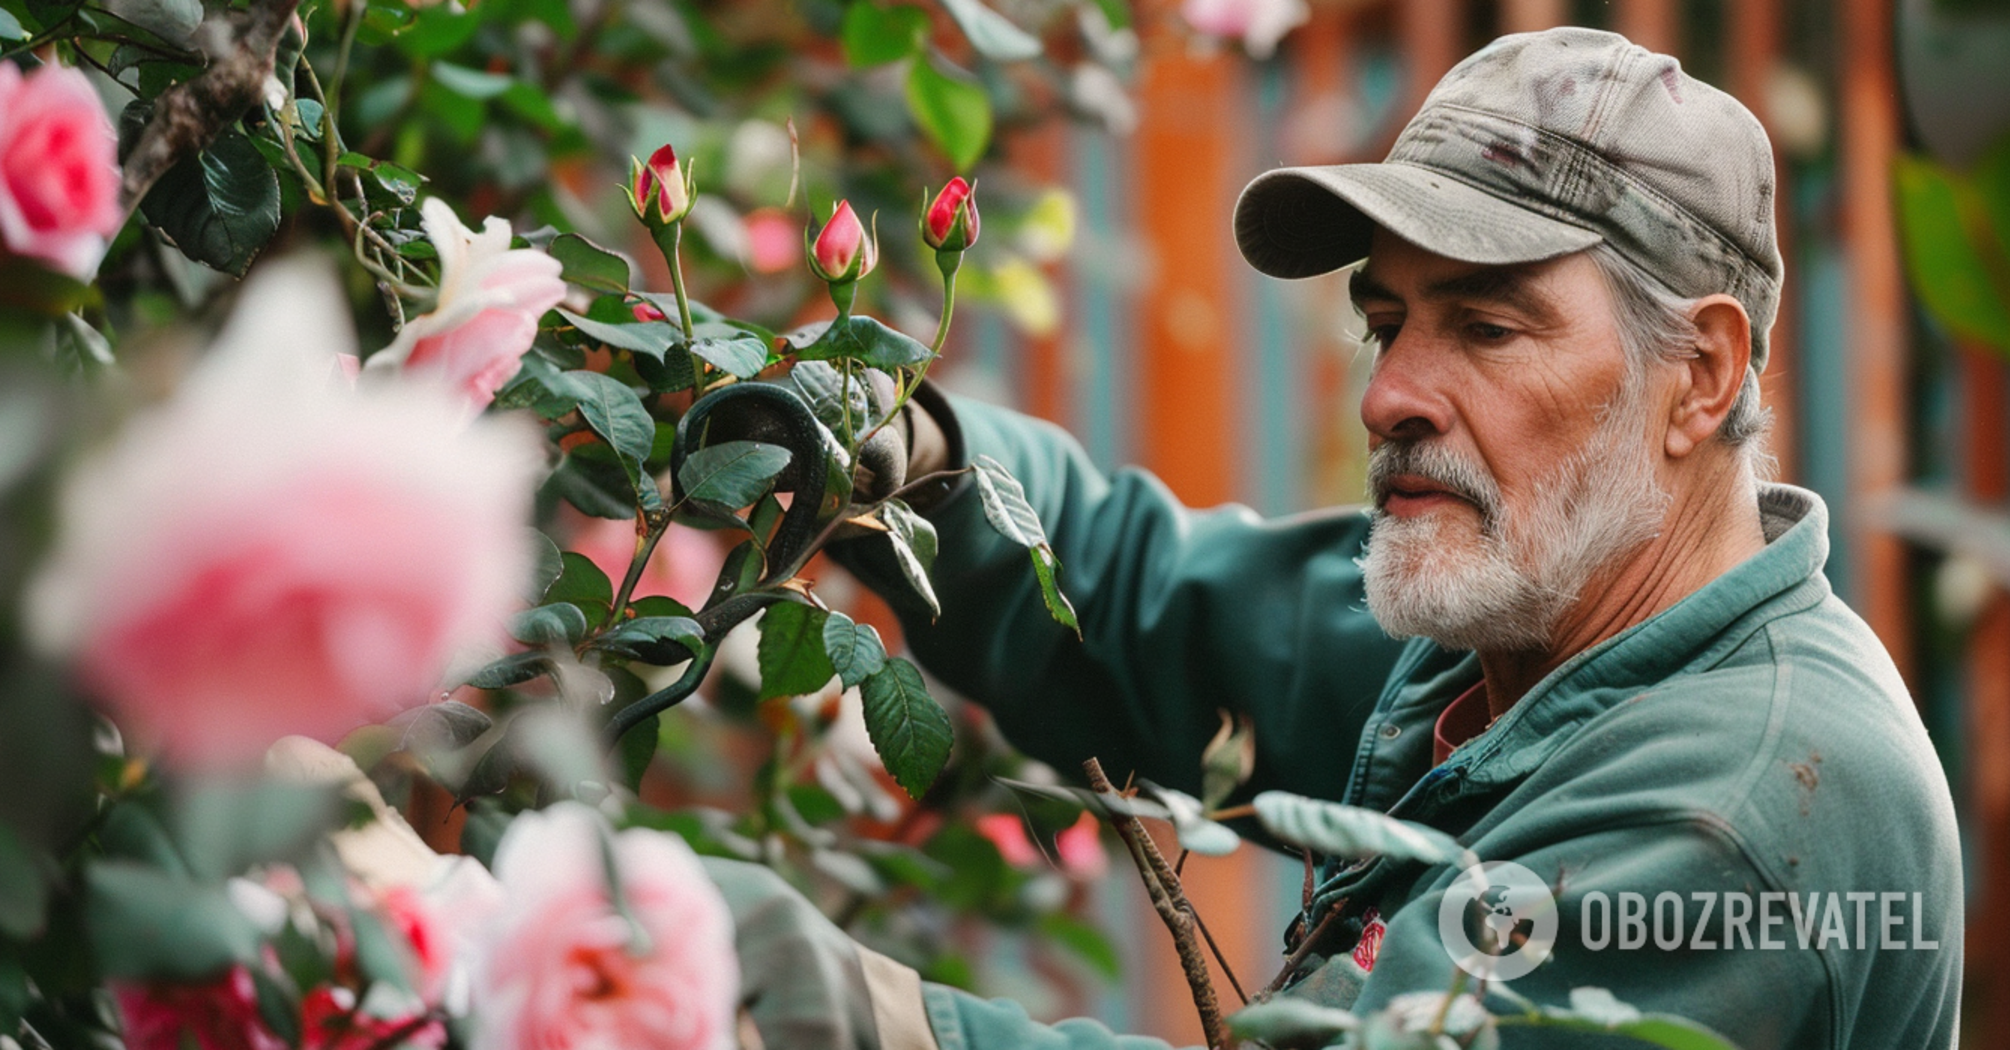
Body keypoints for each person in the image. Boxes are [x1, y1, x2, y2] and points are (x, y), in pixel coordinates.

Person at [708, 26, 1963, 1050]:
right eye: (1386, 323)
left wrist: (866, 1017)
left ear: (1699, 375)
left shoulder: (1726, 818)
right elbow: (1158, 600)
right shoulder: (1532, 627)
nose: (1388, 395)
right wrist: (913, 451)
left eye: (1485, 328)